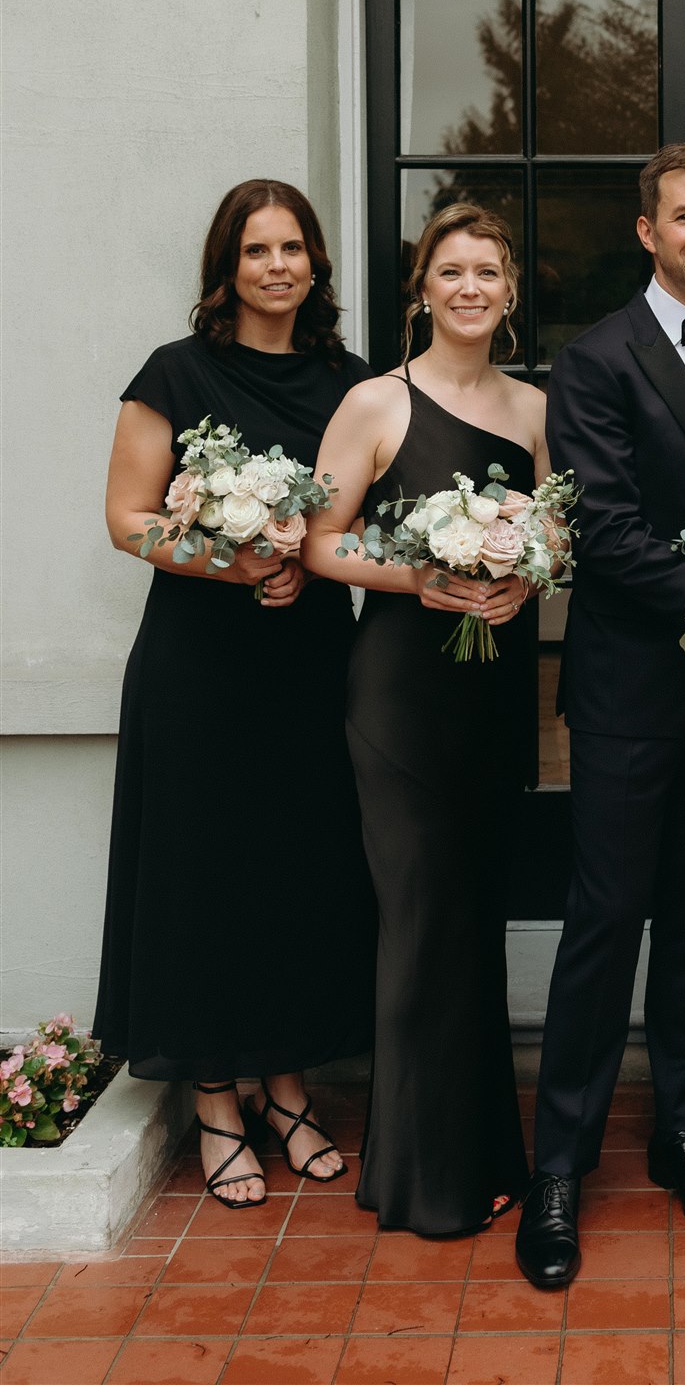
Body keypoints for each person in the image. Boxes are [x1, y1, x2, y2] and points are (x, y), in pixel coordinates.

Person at [516, 144, 685, 1290]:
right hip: (626, 690)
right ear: (647, 231)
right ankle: (558, 1168)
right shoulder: (592, 358)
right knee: (604, 921)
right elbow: (606, 535)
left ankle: (680, 1134)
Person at [97, 180, 376, 1207]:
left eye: (291, 248)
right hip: (198, 666)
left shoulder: (348, 382)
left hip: (307, 661)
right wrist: (234, 559)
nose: (276, 266)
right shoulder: (174, 372)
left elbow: (357, 516)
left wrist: (305, 556)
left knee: (295, 868)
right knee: (203, 872)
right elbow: (129, 518)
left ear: (315, 264)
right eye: (256, 249)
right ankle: (218, 1096)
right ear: (226, 266)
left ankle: (287, 1085)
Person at [303, 204, 542, 1235]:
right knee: (419, 919)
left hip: (493, 692)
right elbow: (319, 541)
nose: (469, 288)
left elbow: (559, 538)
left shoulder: (535, 409)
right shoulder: (374, 401)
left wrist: (524, 574)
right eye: (451, 271)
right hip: (400, 694)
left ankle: (482, 1151)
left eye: (487, 271)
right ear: (422, 288)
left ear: (509, 289)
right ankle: (419, 1177)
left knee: (475, 917)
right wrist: (419, 574)